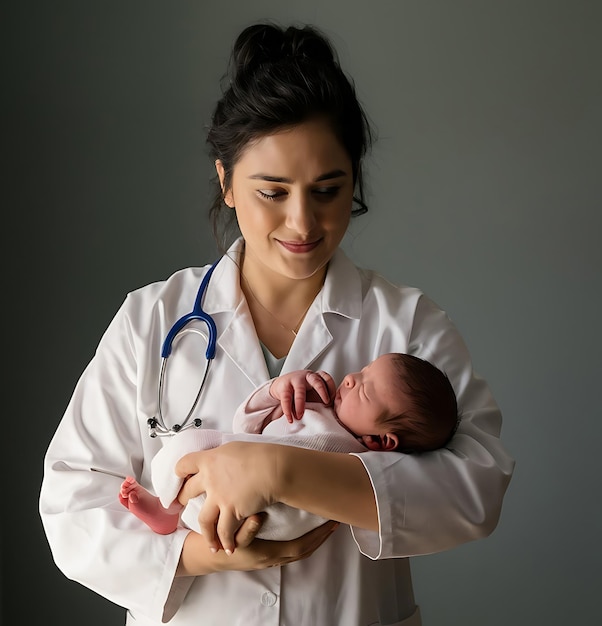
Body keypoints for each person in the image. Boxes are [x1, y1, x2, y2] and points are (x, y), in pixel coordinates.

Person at [39, 22, 514, 626]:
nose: (302, 222)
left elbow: (475, 489)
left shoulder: (406, 323)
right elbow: (71, 502)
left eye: (327, 190)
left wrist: (282, 470)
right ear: (226, 183)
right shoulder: (152, 319)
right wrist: (195, 556)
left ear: (354, 184)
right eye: (272, 191)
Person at [120, 353, 460, 539]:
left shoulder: (345, 450)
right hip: (238, 508)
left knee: (193, 442)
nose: (352, 378)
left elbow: (247, 434)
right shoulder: (320, 411)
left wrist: (268, 462)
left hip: (273, 514)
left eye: (366, 390)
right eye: (365, 369)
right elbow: (250, 425)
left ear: (382, 441)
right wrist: (276, 391)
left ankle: (168, 510)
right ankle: (171, 515)